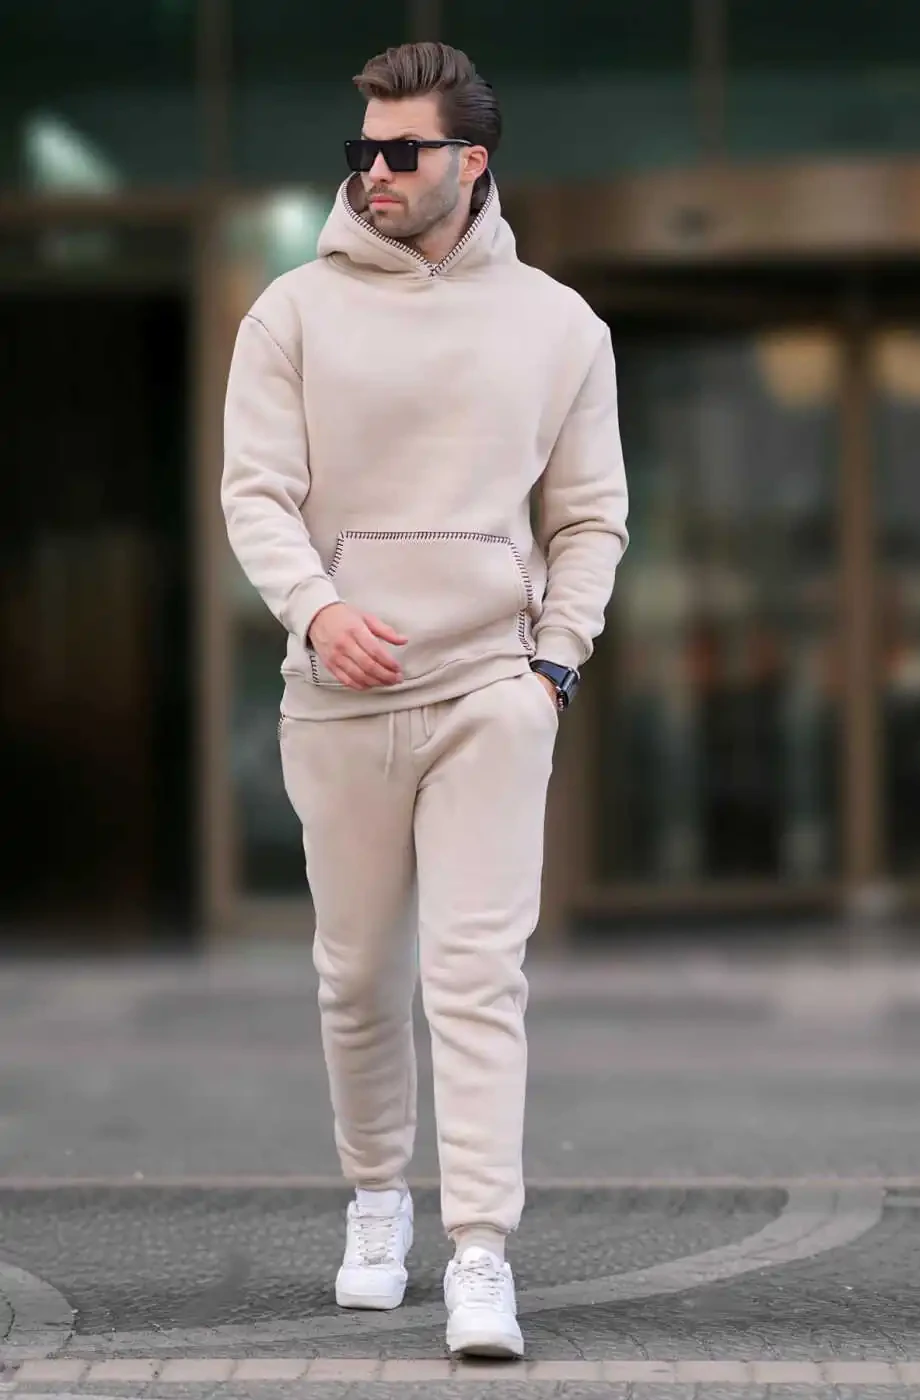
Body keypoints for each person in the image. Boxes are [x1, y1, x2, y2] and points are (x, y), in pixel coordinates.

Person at [221, 40, 628, 1360]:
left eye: (404, 151)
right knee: (355, 977)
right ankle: (377, 1199)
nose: (376, 173)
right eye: (363, 152)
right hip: (337, 697)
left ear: (473, 161)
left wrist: (554, 662)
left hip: (491, 693)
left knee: (475, 977)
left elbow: (590, 518)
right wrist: (317, 609)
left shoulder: (559, 325)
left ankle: (482, 1252)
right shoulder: (290, 313)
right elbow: (256, 495)